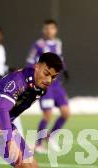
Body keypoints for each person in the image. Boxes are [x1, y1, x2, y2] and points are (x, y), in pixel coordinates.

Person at [26, 19, 71, 153]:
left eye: (51, 28)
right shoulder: (38, 45)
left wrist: (65, 70)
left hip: (56, 84)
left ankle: (51, 137)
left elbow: (60, 58)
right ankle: (39, 144)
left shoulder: (58, 43)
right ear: (43, 30)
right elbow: (29, 61)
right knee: (47, 114)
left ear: (55, 30)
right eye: (46, 28)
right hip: (45, 84)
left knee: (66, 113)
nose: (49, 31)